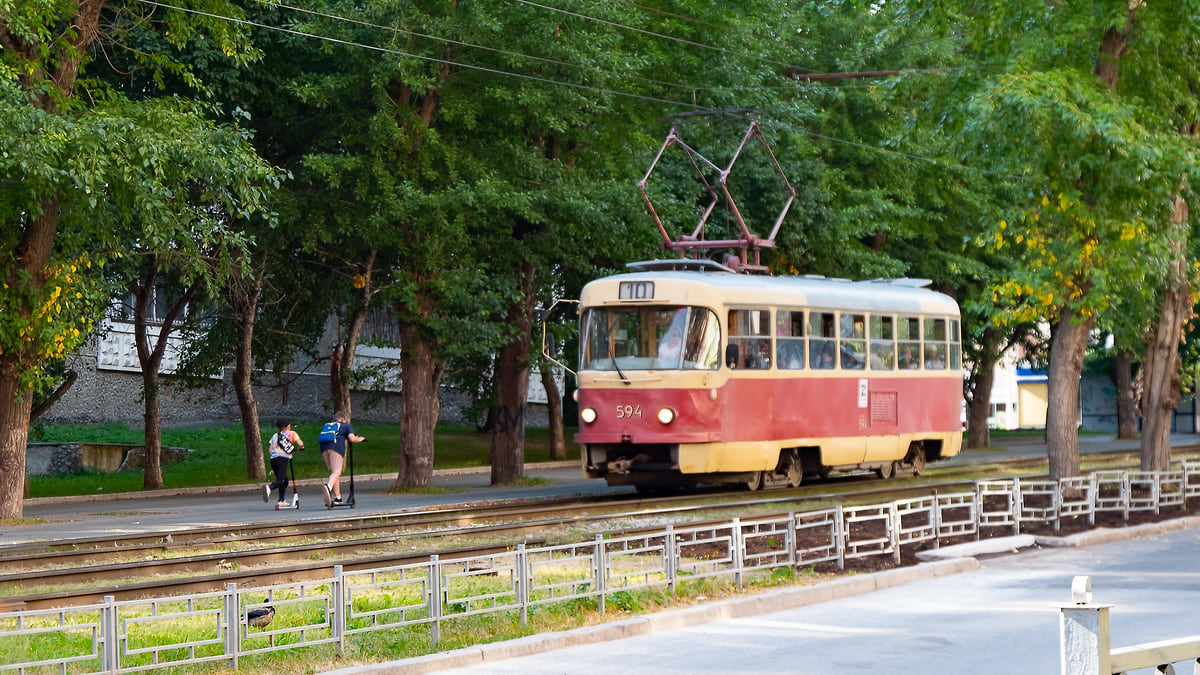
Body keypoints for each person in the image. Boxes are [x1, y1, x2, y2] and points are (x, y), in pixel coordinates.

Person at [319, 411, 366, 506]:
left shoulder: (328, 425)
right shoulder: (346, 425)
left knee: (334, 472)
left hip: (323, 447)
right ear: (344, 419)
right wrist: (361, 439)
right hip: (335, 447)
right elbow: (352, 438)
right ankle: (328, 487)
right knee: (337, 471)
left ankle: (338, 498)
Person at [263, 418, 303, 508]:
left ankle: (281, 500)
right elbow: (300, 444)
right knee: (280, 480)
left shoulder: (275, 435)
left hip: (273, 460)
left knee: (284, 480)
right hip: (282, 459)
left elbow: (270, 450)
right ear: (288, 426)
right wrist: (300, 448)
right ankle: (270, 487)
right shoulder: (292, 433)